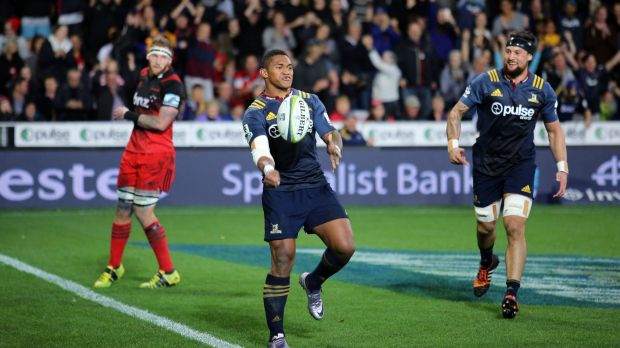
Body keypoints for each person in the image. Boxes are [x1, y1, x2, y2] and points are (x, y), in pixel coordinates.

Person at [446, 31, 568, 319]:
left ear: (529, 57)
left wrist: (562, 167)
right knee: (486, 227)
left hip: (520, 165)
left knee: (514, 226)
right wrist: (453, 145)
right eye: (508, 51)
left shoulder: (542, 89)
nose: (511, 56)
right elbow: (455, 113)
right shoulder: (485, 81)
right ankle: (486, 262)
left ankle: (511, 293)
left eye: (517, 52)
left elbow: (554, 130)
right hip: (486, 165)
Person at [242, 49, 355, 347]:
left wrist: (333, 143)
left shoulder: (309, 100)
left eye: (290, 67)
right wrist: (268, 167)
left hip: (314, 185)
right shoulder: (255, 111)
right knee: (283, 258)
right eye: (279, 67)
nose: (287, 71)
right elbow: (259, 146)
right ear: (264, 73)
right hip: (281, 191)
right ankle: (277, 335)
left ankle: (313, 281)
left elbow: (331, 131)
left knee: (345, 247)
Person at [94, 36, 185, 289]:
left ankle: (168, 271)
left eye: (163, 56)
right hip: (133, 150)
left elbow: (160, 123)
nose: (158, 60)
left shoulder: (174, 86)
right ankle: (114, 267)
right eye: (154, 55)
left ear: (170, 60)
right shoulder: (144, 75)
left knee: (144, 212)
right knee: (122, 207)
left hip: (155, 154)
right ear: (148, 56)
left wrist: (127, 114)